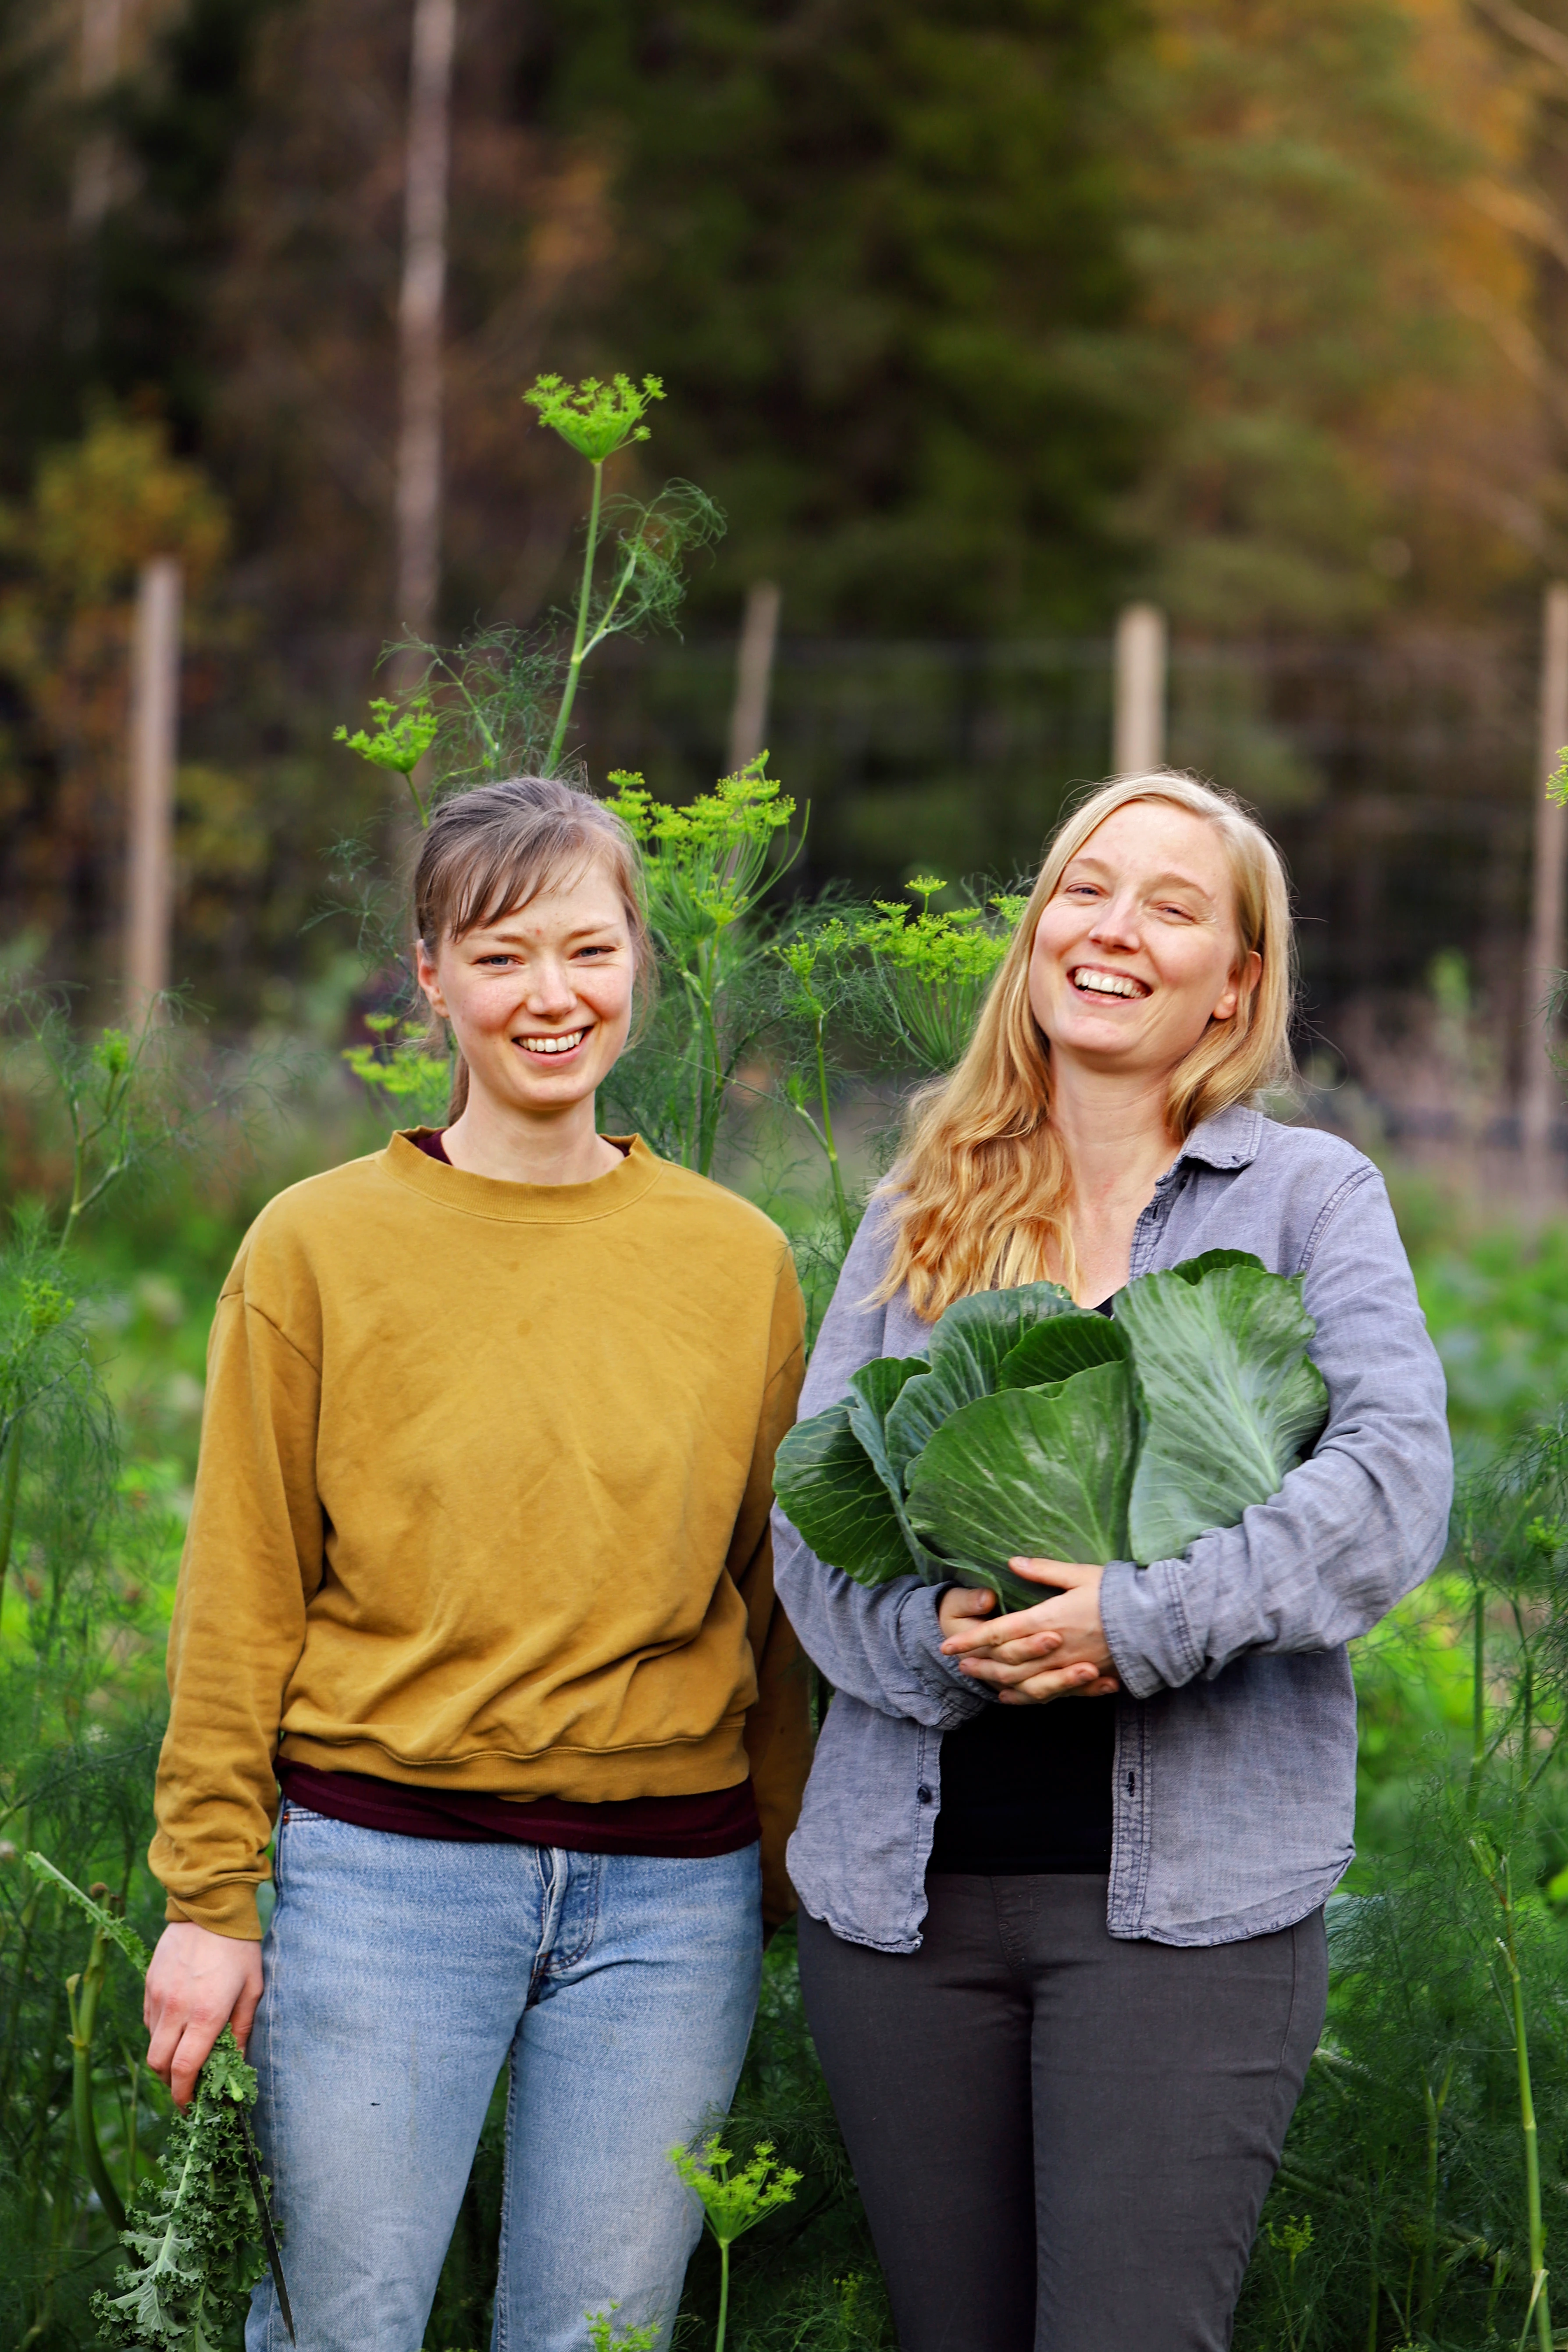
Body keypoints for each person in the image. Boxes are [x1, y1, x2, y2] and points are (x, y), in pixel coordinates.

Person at [772, 771, 1452, 2352]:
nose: (1114, 929)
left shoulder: (1306, 1200)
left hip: (1183, 1925)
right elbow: (817, 1523)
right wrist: (940, 1641)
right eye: (1087, 887)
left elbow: (1392, 1485)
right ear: (1036, 934)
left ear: (1238, 981)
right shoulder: (921, 1207)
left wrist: (1137, 1622)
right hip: (908, 1914)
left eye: (1172, 904)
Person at [143, 775, 811, 2352]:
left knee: (597, 2336)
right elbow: (240, 1589)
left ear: (642, 962)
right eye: (501, 955)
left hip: (670, 1899)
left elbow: (778, 1611)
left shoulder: (739, 1263)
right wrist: (211, 1898)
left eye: (588, 948)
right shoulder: (314, 1245)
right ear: (431, 977)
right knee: (339, 2327)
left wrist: (796, 1880)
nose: (552, 995)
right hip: (385, 1874)